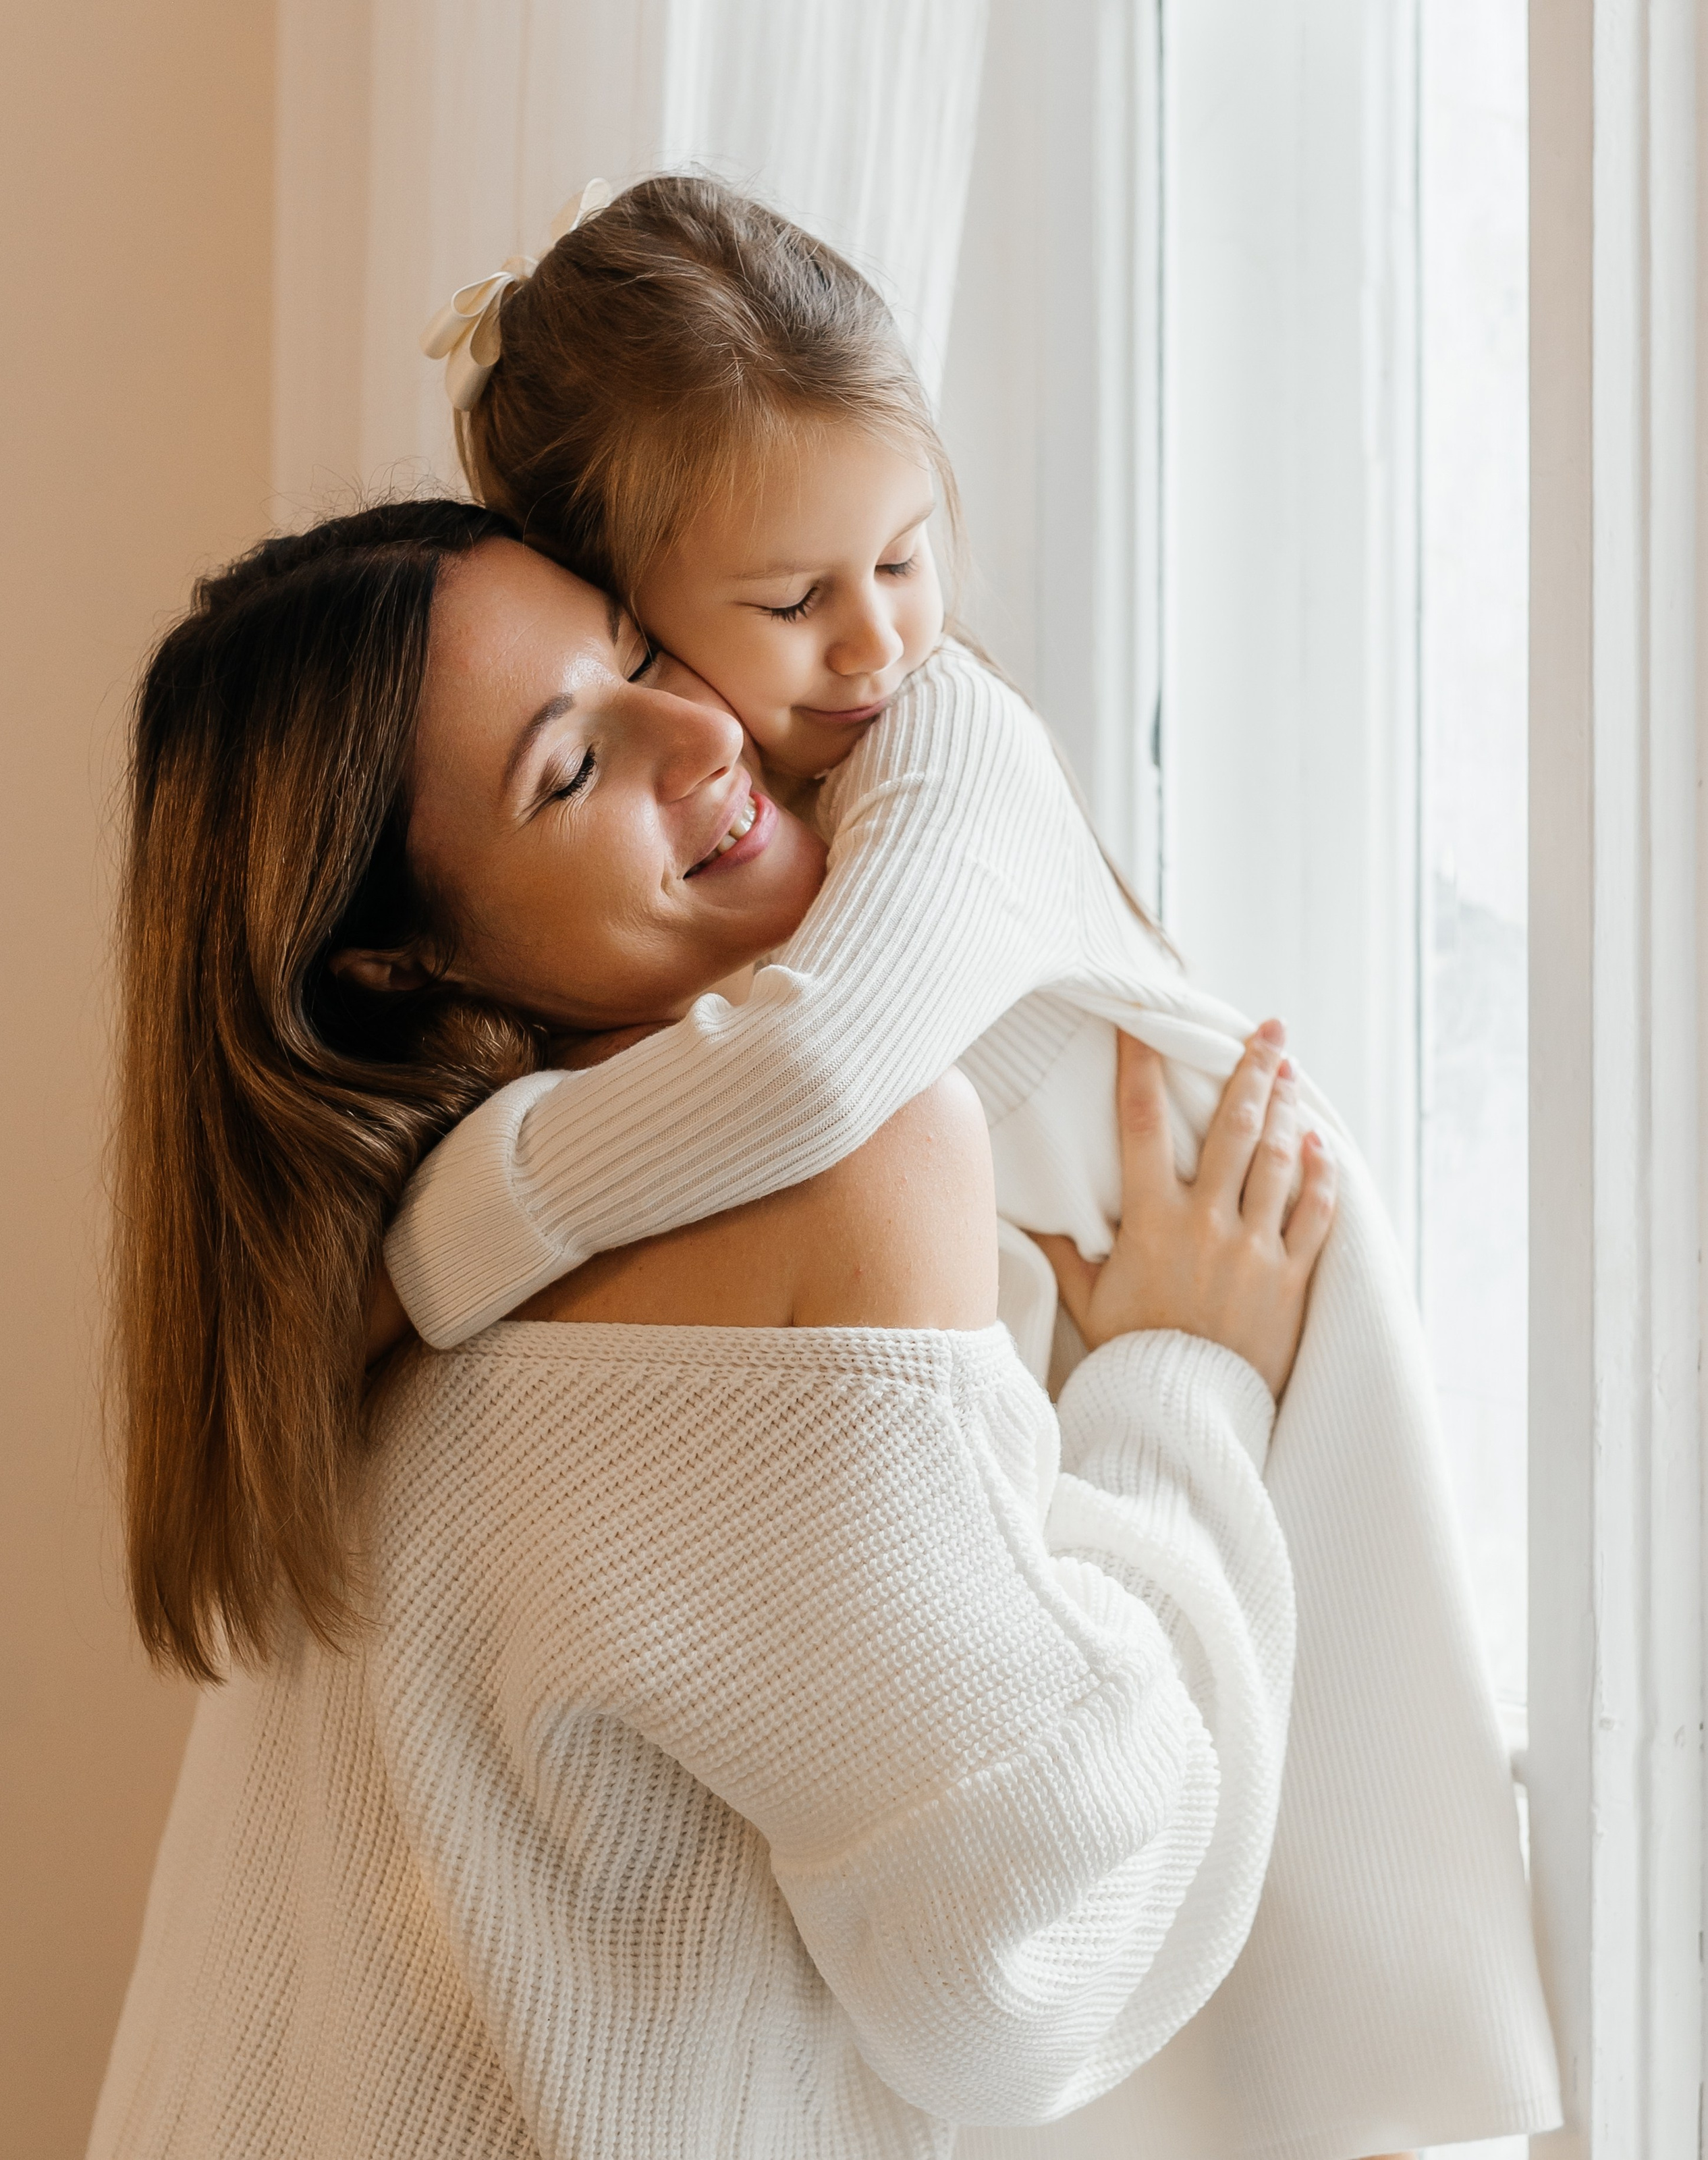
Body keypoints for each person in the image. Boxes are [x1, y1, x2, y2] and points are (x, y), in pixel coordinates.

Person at [391, 174, 1562, 2159]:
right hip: (1093, 1385)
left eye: (908, 557)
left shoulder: (948, 750)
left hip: (1221, 1303)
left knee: (1317, 1988)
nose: (876, 642)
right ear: (629, 613)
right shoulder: (738, 837)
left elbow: (826, 1063)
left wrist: (465, 1219)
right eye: (790, 603)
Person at [94, 502, 1310, 2157]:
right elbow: (1033, 1949)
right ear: (393, 962)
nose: (699, 729)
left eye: (640, 650)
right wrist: (1185, 1383)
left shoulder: (342, 1288)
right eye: (568, 767)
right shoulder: (851, 1166)